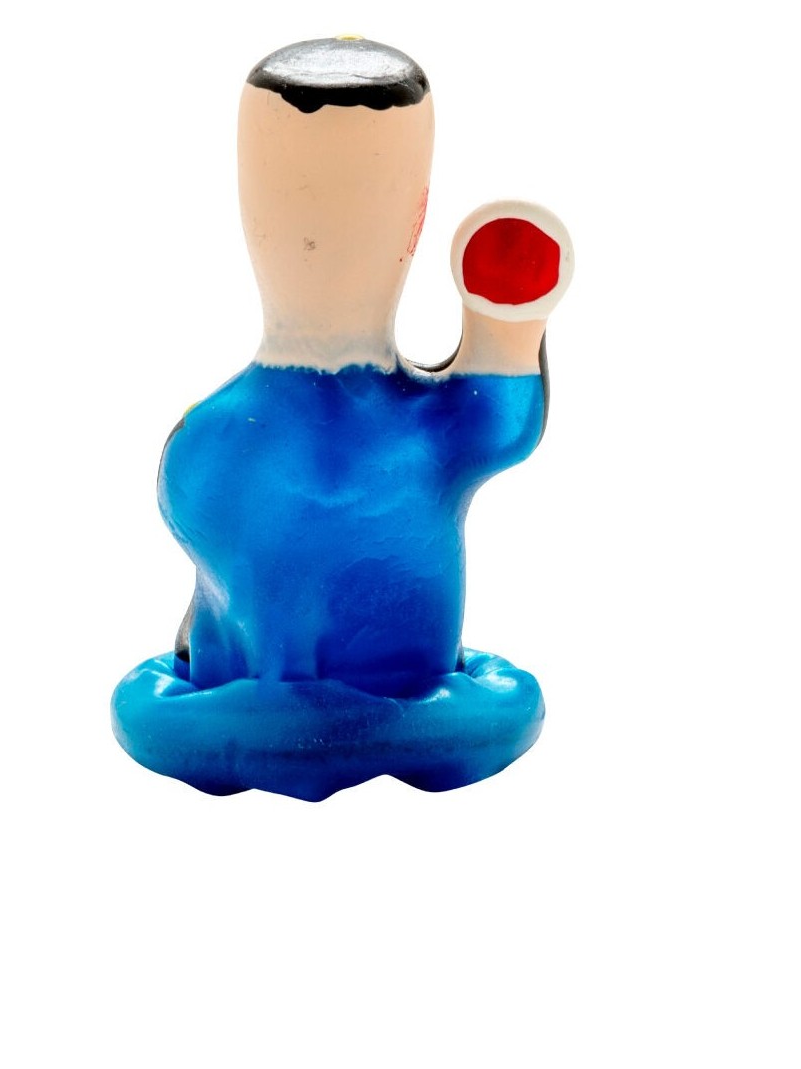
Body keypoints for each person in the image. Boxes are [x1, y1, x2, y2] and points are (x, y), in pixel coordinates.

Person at [159, 37, 572, 695]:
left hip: (409, 682)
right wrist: (506, 338)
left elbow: (497, 427)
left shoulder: (222, 440)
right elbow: (498, 426)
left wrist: (507, 333)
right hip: (267, 674)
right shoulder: (221, 440)